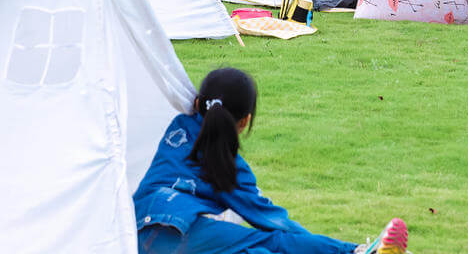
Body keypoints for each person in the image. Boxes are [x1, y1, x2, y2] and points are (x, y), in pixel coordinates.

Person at [133, 67, 408, 254]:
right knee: (275, 243)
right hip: (176, 232)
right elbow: (276, 225)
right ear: (245, 121)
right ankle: (357, 252)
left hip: (132, 231)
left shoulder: (177, 128)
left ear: (196, 105)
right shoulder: (231, 168)